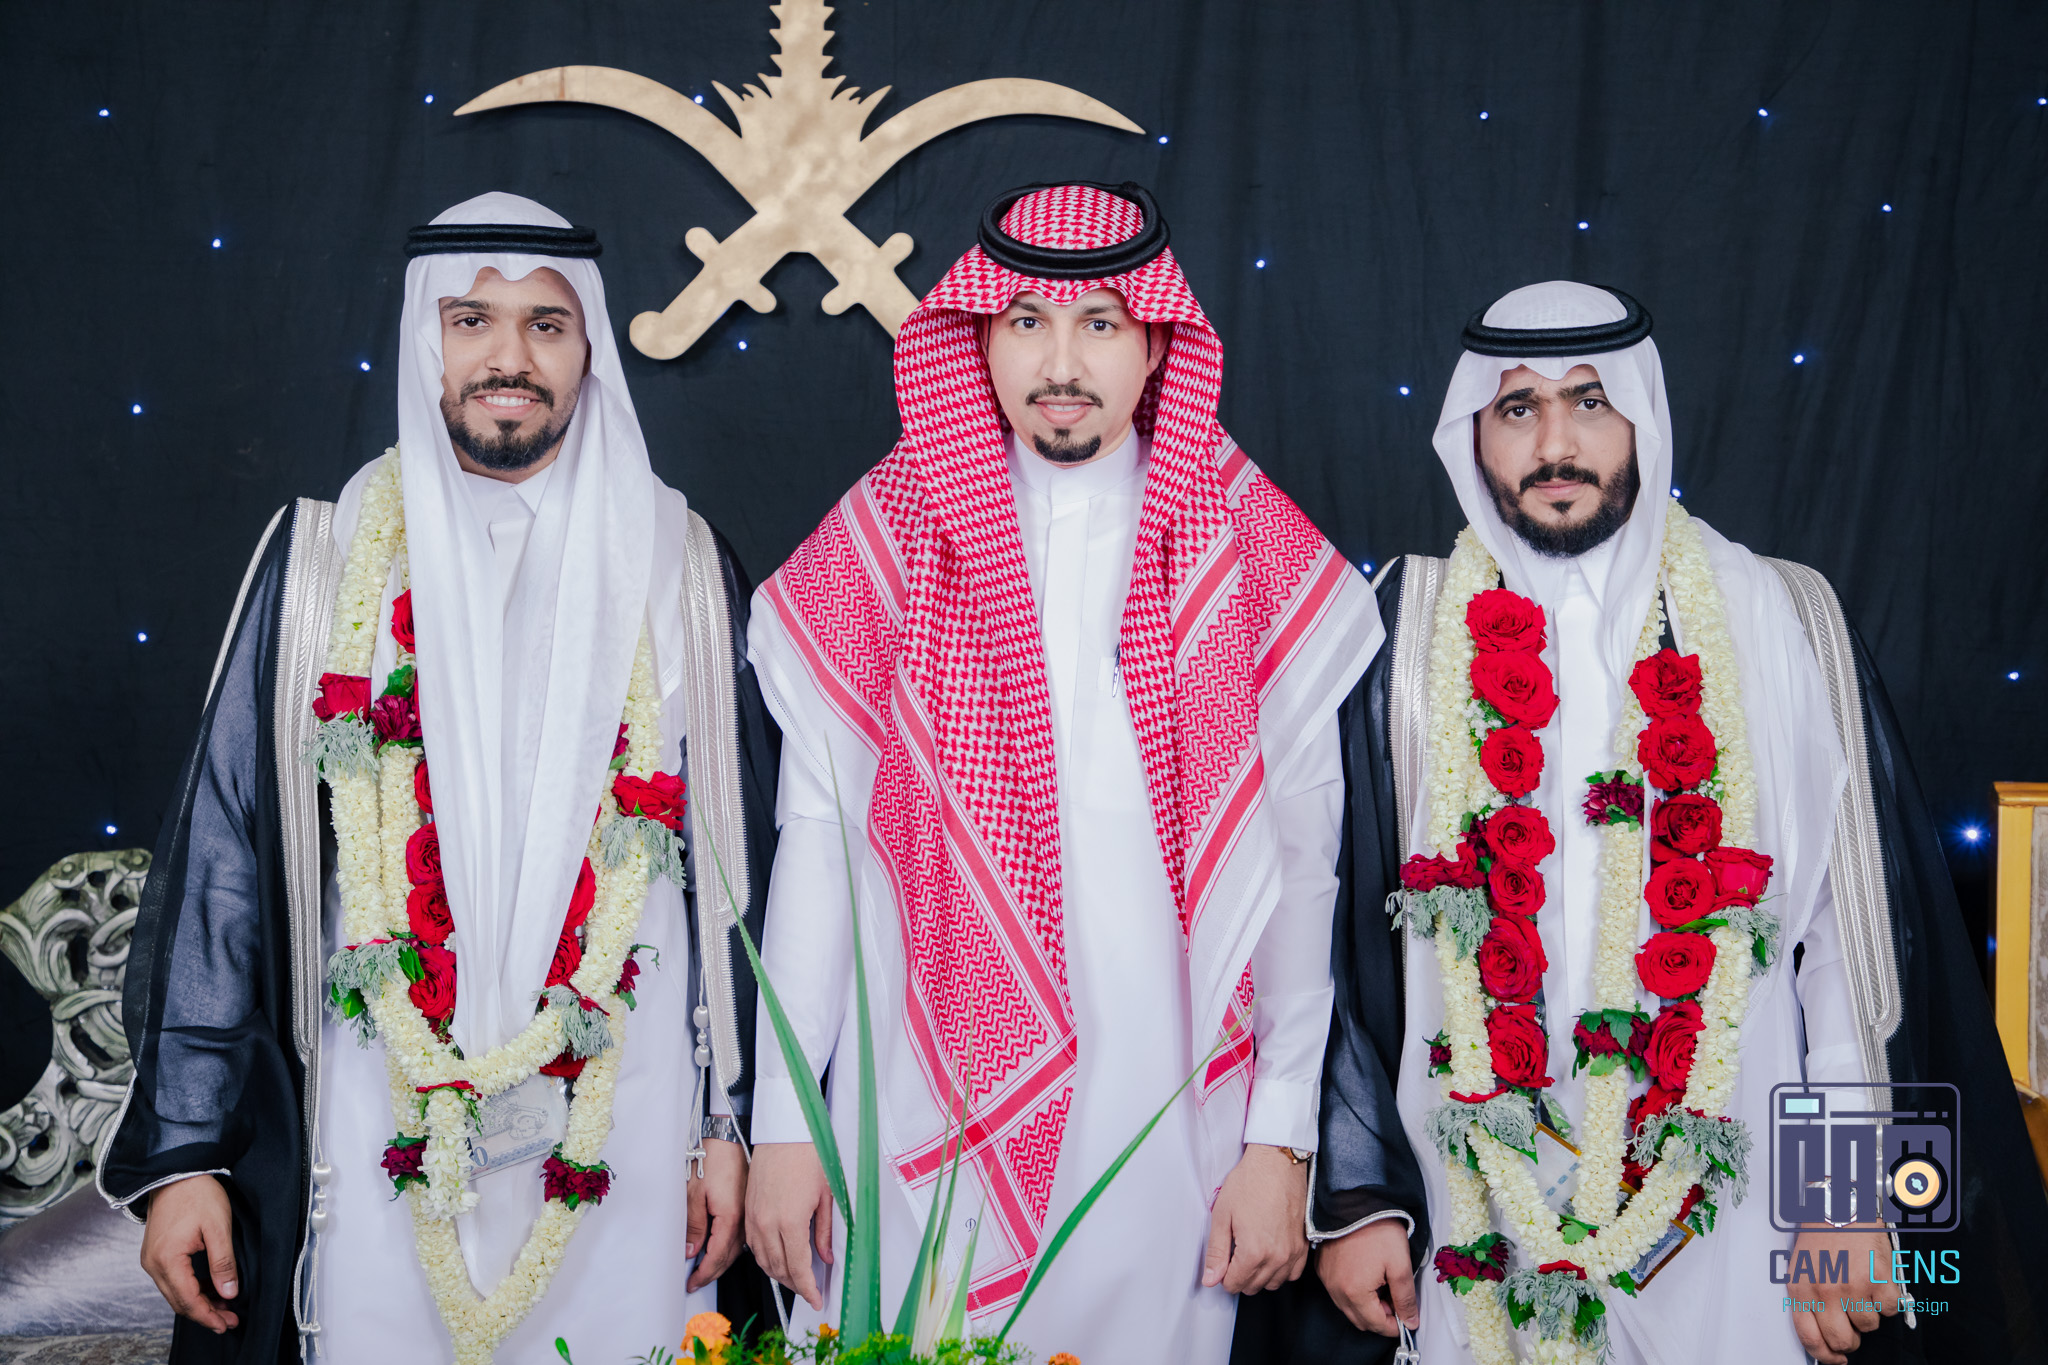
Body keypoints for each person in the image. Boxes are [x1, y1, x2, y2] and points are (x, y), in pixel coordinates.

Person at [99, 192, 781, 1364]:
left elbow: (743, 874)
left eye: (546, 326)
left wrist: (733, 1125)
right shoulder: (322, 563)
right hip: (373, 1100)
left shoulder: (679, 563)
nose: (508, 357)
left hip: (632, 1112)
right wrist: (186, 1157)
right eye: (473, 320)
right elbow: (223, 861)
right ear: (428, 338)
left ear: (589, 352)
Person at [1311, 281, 2048, 1364]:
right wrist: (1362, 1198)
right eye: (1518, 407)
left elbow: (1851, 942)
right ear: (1472, 431)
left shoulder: (1777, 612)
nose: (1555, 444)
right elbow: (1330, 936)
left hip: (1735, 1214)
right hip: (1474, 1205)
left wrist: (1843, 1203)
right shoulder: (1407, 626)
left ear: (1643, 418)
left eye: (1590, 401)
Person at [739, 181, 1392, 1364]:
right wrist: (786, 1125)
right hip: (914, 1107)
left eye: (1098, 324)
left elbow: (1300, 873)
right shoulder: (886, 537)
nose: (1060, 363)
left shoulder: (1247, 545)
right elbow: (817, 844)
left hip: (1165, 1124)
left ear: (1156, 345)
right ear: (977, 337)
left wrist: (1279, 1138)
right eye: (1026, 322)